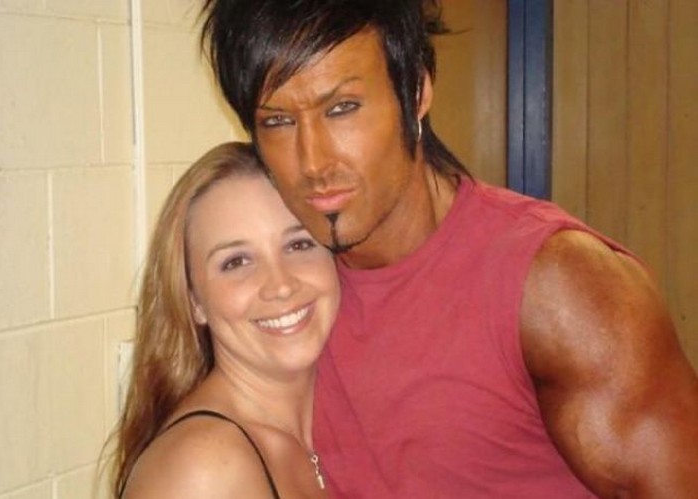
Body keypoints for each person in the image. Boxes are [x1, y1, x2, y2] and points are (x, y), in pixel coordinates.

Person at [200, 1, 698, 497]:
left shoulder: (558, 284)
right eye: (278, 121)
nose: (314, 162)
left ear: (415, 91)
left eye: (342, 108)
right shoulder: (285, 299)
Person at [109, 142, 339, 498]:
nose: (280, 285)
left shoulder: (349, 422)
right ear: (194, 300)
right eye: (236, 262)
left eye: (298, 244)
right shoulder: (203, 467)